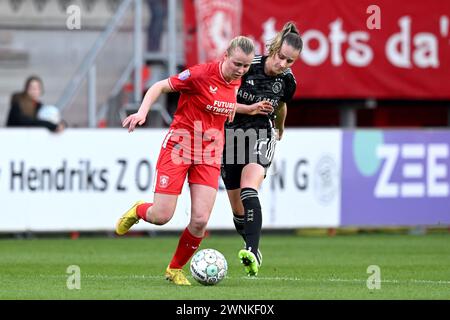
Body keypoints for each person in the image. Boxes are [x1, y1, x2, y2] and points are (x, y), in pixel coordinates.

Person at [116, 36, 255, 286]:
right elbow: (159, 86)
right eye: (237, 64)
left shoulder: (238, 80)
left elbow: (223, 104)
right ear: (225, 56)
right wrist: (142, 112)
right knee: (161, 216)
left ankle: (175, 269)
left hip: (210, 152)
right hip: (180, 145)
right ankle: (138, 209)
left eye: (245, 66)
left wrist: (249, 108)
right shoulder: (200, 74)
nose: (241, 70)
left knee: (201, 219)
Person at [221, 22, 303, 276]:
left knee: (249, 187)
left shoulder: (288, 81)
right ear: (273, 48)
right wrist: (248, 109)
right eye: (281, 57)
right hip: (233, 136)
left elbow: (280, 106)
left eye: (290, 61)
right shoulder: (248, 66)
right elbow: (223, 99)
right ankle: (249, 241)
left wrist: (280, 127)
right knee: (237, 210)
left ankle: (252, 250)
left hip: (261, 135)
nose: (283, 64)